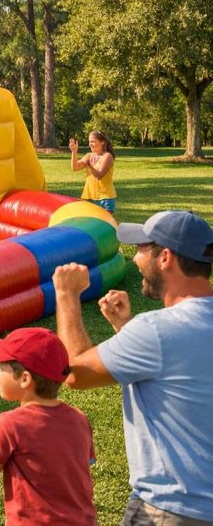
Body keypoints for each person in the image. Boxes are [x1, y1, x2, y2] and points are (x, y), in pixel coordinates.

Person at [53, 210, 213, 525]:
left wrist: (66, 295)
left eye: (141, 246)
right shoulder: (160, 332)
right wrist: (125, 329)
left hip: (170, 509)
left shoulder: (155, 329)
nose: (134, 255)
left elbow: (74, 373)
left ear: (165, 257)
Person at [0, 327, 97, 525]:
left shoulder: (12, 423)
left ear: (25, 379)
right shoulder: (80, 419)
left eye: (2, 366)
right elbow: (83, 467)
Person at [69, 131, 116, 212]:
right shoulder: (89, 156)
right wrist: (74, 152)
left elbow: (99, 175)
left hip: (105, 198)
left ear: (102, 142)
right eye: (89, 141)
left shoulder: (107, 156)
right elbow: (75, 168)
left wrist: (90, 165)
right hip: (88, 196)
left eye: (93, 141)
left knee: (103, 224)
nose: (90, 144)